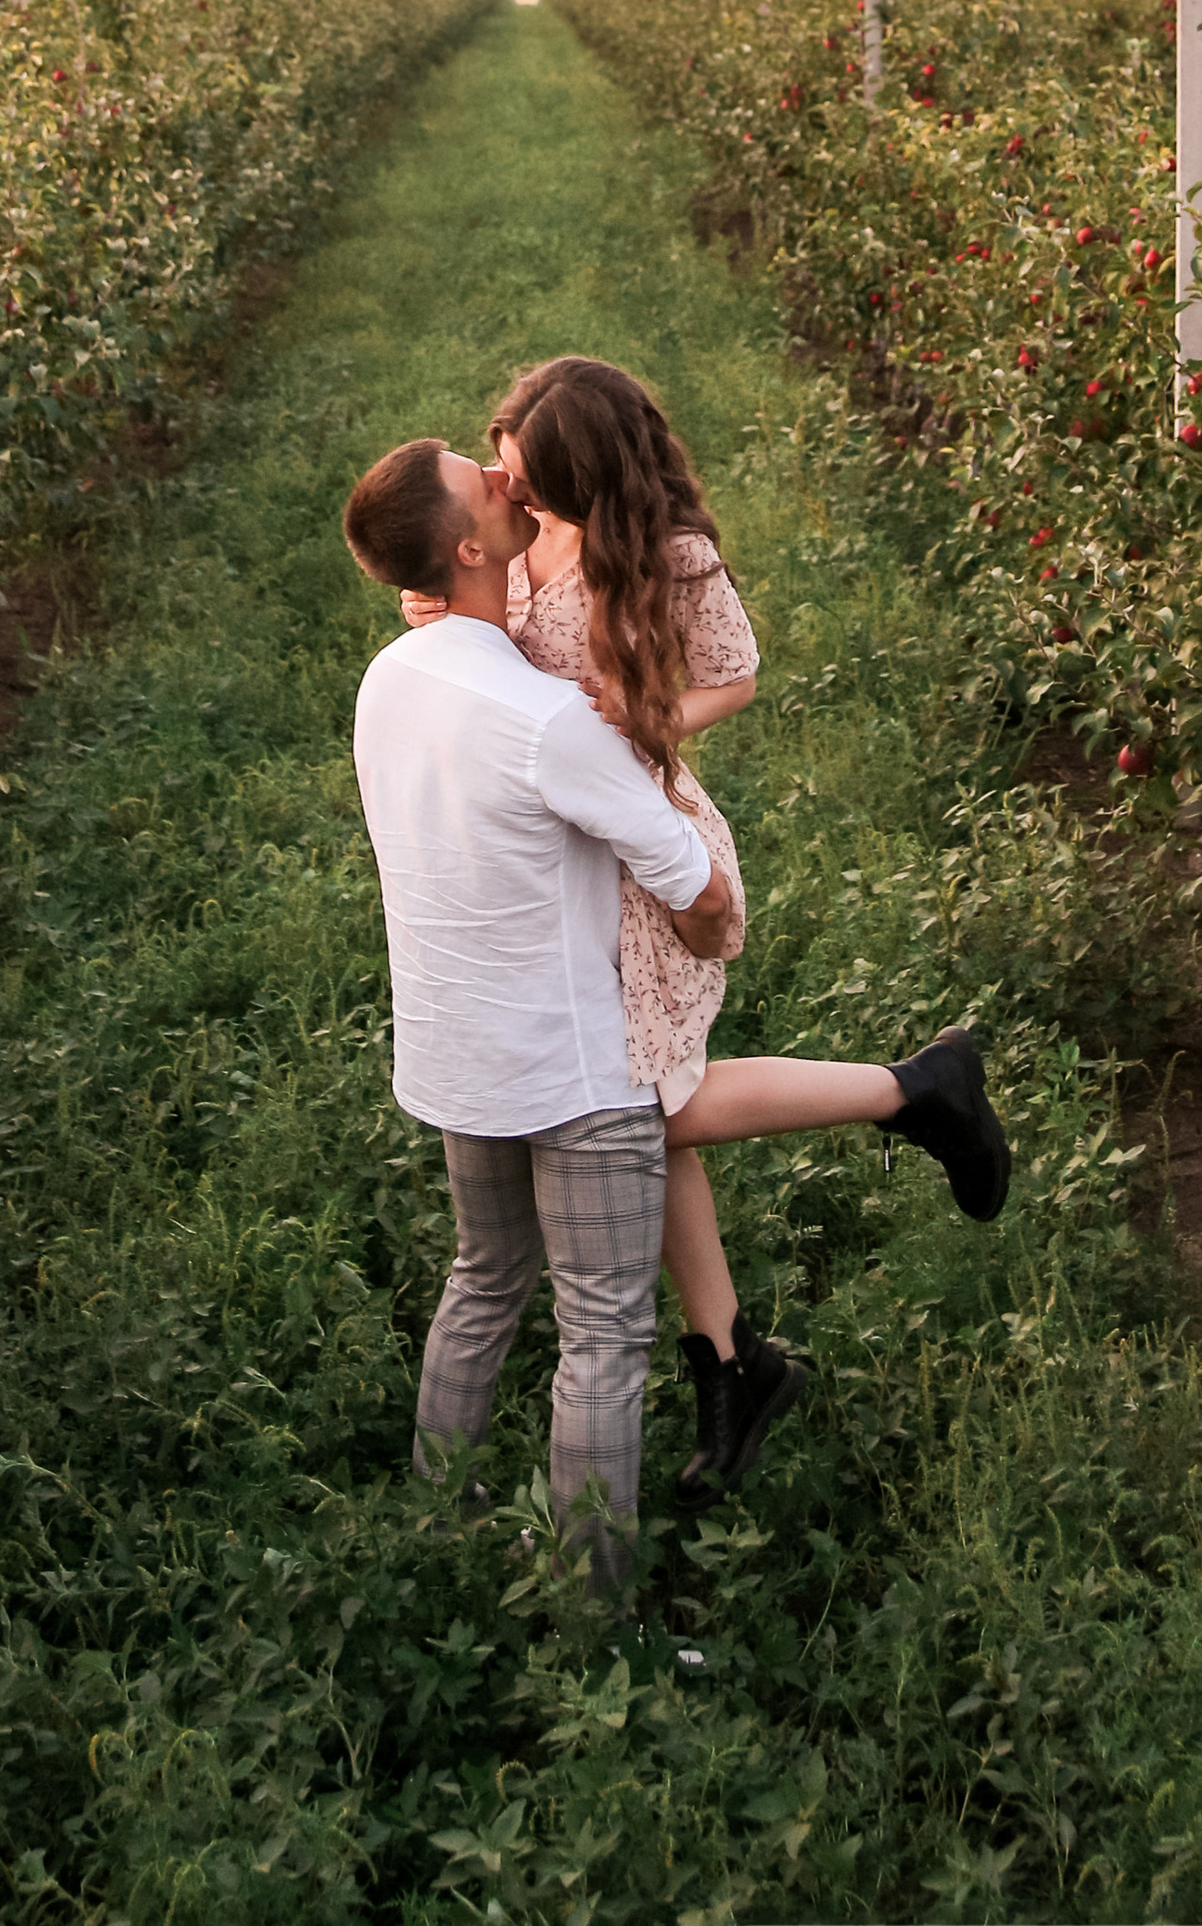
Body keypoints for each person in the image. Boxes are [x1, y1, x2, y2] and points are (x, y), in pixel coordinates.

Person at [343, 430, 1008, 1586]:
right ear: (467, 549)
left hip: (456, 1059)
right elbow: (695, 883)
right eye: (475, 475)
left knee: (482, 1282)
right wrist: (702, 939)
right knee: (602, 1335)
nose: (499, 475)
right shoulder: (549, 720)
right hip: (572, 1070)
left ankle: (439, 1531)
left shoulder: (390, 679)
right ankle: (595, 1609)